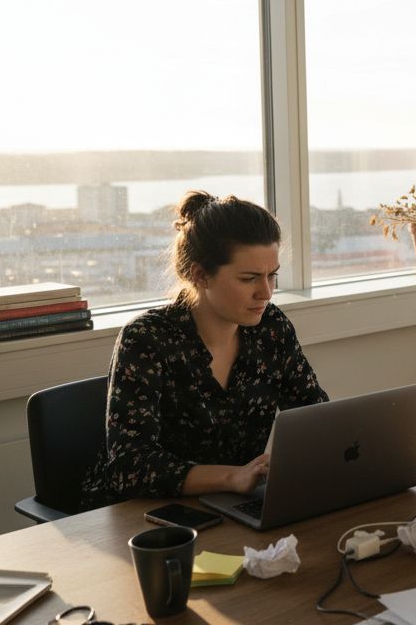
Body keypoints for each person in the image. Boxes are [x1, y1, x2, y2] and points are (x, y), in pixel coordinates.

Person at [81, 191, 328, 509]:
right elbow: (131, 468)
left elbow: (316, 416)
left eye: (272, 276)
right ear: (200, 275)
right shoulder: (146, 339)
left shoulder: (271, 328)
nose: (266, 292)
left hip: (228, 507)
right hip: (141, 520)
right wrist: (233, 477)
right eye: (249, 278)